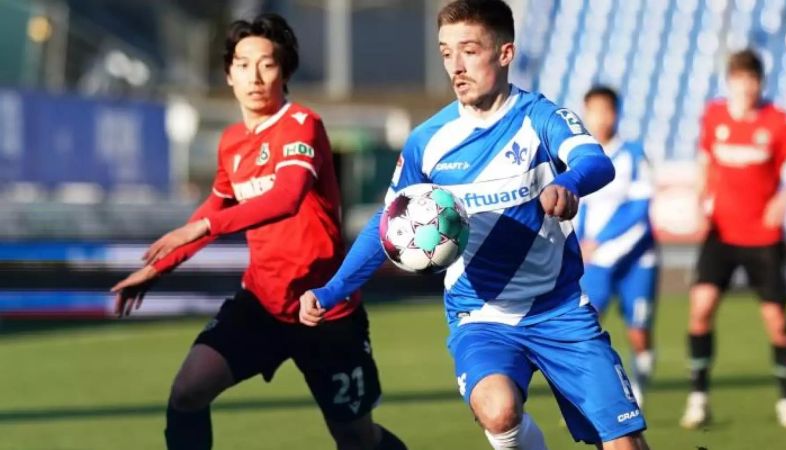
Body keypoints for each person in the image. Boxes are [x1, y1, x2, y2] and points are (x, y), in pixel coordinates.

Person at [299, 1, 651, 449]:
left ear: (505, 53)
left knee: (625, 445)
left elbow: (595, 160)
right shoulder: (428, 140)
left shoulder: (540, 118)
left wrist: (568, 184)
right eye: (446, 53)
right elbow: (388, 225)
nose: (456, 67)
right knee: (497, 408)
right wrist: (333, 289)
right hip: (481, 315)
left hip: (558, 307)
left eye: (469, 50)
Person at [110, 13, 406, 450]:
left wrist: (203, 227)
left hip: (325, 309)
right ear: (229, 74)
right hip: (263, 304)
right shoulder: (231, 142)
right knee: (188, 390)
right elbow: (215, 206)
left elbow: (286, 197)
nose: (255, 75)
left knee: (355, 437)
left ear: (283, 71)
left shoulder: (302, 125)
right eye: (243, 64)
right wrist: (160, 267)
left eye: (267, 64)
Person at [679, 48, 786, 430]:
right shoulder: (714, 115)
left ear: (760, 83)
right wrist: (697, 200)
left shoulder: (778, 121)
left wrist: (784, 197)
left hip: (763, 237)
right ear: (730, 82)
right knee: (700, 308)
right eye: (739, 79)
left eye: (751, 79)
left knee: (777, 322)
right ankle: (698, 399)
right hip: (721, 232)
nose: (745, 86)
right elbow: (705, 162)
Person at [575, 86, 658, 408]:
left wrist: (600, 239)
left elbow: (639, 209)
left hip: (637, 258)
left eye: (606, 110)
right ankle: (594, 397)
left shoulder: (634, 155)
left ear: (616, 113)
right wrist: (579, 243)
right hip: (595, 261)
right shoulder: (580, 157)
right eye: (593, 110)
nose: (600, 118)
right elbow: (578, 206)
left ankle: (639, 389)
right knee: (586, 328)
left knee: (638, 332)